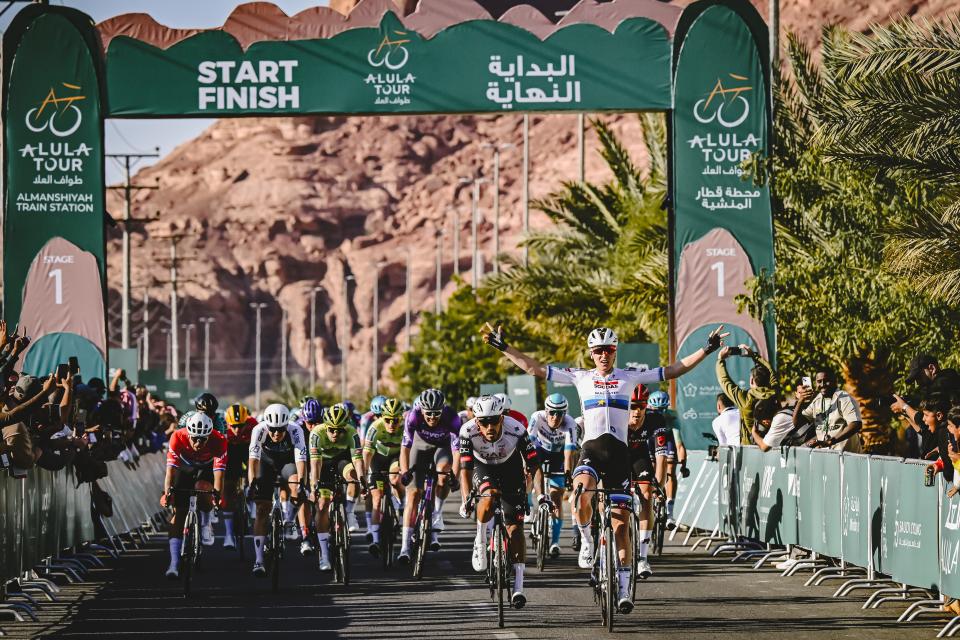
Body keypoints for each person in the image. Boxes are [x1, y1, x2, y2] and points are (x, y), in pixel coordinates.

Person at [481, 322, 727, 614]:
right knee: (581, 493)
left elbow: (673, 370)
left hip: (620, 456)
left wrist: (706, 349)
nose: (603, 355)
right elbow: (535, 369)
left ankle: (623, 590)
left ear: (615, 351)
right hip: (592, 452)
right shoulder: (581, 377)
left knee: (621, 526)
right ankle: (587, 540)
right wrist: (504, 347)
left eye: (608, 350)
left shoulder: (629, 376)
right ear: (591, 353)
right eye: (598, 350)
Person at [459, 394, 539, 609]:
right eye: (483, 422)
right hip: (483, 468)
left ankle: (519, 587)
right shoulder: (467, 431)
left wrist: (539, 494)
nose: (489, 426)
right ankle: (480, 540)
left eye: (494, 420)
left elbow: (534, 464)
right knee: (489, 495)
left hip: (510, 468)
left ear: (501, 418)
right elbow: (465, 470)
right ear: (476, 421)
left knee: (515, 529)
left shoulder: (517, 429)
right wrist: (466, 499)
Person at [161, 413, 228, 578]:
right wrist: (168, 493)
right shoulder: (177, 436)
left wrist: (217, 496)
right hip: (185, 467)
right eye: (195, 439)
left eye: (203, 439)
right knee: (178, 513)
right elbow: (170, 472)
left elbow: (219, 474)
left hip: (207, 468)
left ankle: (206, 522)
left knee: (203, 488)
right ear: (188, 433)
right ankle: (174, 563)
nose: (198, 443)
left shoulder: (219, 440)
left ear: (209, 436)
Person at [398, 388, 461, 562]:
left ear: (443, 410)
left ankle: (437, 514)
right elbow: (405, 448)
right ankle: (404, 548)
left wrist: (455, 477)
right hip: (420, 447)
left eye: (436, 413)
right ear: (421, 410)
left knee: (444, 472)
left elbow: (457, 452)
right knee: (413, 494)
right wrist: (405, 471)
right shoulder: (413, 416)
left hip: (442, 447)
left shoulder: (452, 417)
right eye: (428, 414)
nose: (432, 417)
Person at [248, 403, 310, 574]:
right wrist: (252, 484)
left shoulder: (295, 430)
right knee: (262, 509)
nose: (276, 433)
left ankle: (290, 520)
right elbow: (253, 461)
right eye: (273, 429)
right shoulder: (258, 430)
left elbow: (301, 460)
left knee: (296, 485)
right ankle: (258, 560)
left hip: (287, 463)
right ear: (267, 425)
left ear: (286, 426)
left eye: (281, 430)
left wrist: (302, 483)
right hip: (266, 463)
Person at [309, 403, 365, 571]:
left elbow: (357, 460)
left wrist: (362, 481)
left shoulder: (352, 432)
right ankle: (324, 555)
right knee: (322, 505)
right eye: (332, 430)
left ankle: (349, 513)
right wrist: (314, 486)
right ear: (325, 427)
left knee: (353, 476)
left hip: (342, 460)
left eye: (339, 430)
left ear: (345, 428)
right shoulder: (316, 433)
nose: (335, 433)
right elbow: (315, 464)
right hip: (323, 464)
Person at [526, 393, 578, 557]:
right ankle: (529, 504)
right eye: (552, 413)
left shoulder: (570, 424)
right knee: (527, 471)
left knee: (556, 499)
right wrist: (525, 466)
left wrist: (568, 474)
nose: (555, 417)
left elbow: (569, 453)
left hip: (559, 456)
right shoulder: (537, 417)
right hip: (540, 450)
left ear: (565, 413)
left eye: (560, 413)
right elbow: (528, 444)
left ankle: (555, 542)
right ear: (546, 411)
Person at [362, 397, 405, 557]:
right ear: (382, 417)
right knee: (377, 498)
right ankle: (375, 539)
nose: (391, 424)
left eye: (396, 420)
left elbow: (409, 451)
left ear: (401, 418)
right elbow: (367, 453)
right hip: (377, 460)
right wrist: (363, 477)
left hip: (395, 458)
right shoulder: (375, 427)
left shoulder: (406, 427)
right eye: (387, 420)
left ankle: (402, 507)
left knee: (395, 479)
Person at [716, 343, 776, 444]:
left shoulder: (746, 399)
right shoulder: (774, 392)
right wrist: (754, 356)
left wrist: (720, 360)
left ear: (751, 381)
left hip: (751, 447)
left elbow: (725, 381)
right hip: (772, 444)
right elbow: (771, 372)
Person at [792, 367, 862, 452]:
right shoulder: (817, 400)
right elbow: (797, 424)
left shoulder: (844, 398)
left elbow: (856, 424)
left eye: (826, 381)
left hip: (846, 456)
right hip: (826, 455)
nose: (822, 384)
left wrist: (831, 441)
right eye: (819, 381)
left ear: (835, 381)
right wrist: (800, 401)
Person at [645, 391, 686, 530]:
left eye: (662, 410)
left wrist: (683, 463)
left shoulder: (672, 416)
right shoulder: (645, 415)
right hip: (651, 439)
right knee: (650, 467)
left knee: (670, 470)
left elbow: (679, 444)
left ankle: (670, 513)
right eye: (655, 410)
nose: (659, 413)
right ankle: (651, 501)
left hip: (667, 439)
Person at [626, 385, 655, 579]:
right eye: (633, 406)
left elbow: (661, 455)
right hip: (618, 455)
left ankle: (643, 558)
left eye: (641, 406)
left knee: (647, 496)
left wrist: (659, 482)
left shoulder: (654, 419)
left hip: (639, 456)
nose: (637, 411)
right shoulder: (617, 416)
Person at [222, 403, 256, 549]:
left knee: (253, 468)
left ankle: (249, 492)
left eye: (240, 426)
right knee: (228, 487)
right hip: (230, 450)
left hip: (247, 449)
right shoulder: (222, 426)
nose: (237, 429)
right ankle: (228, 534)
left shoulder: (253, 424)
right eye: (233, 426)